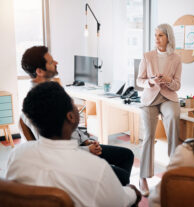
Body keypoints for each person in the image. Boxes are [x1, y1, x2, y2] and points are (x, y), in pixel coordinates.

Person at [6, 82, 141, 207]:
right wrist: (132, 192)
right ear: (70, 117)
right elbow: (121, 201)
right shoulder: (98, 169)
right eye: (73, 104)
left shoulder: (17, 155)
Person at [20, 46, 134, 186]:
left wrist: (87, 141)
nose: (56, 62)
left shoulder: (53, 89)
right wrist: (87, 150)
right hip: (72, 157)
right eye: (50, 62)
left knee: (127, 155)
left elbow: (71, 127)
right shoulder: (35, 106)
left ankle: (112, 190)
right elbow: (52, 148)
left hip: (80, 146)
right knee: (122, 177)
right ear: (39, 71)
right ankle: (113, 191)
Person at [136, 23, 182, 196]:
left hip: (168, 97)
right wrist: (150, 81)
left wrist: (169, 80)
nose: (157, 38)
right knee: (148, 136)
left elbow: (177, 85)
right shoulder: (147, 56)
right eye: (155, 35)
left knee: (173, 118)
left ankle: (173, 172)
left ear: (168, 37)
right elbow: (139, 80)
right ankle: (143, 178)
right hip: (150, 98)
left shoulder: (176, 59)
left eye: (160, 35)